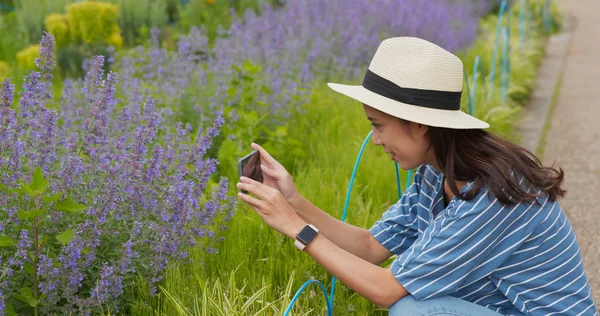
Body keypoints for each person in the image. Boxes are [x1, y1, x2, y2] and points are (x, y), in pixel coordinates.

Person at [235, 37, 598, 315]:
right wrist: (294, 201)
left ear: (419, 122)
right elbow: (371, 248)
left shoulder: (492, 193)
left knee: (413, 309)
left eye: (378, 126)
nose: (375, 140)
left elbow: (386, 290)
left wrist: (296, 229)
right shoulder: (433, 173)